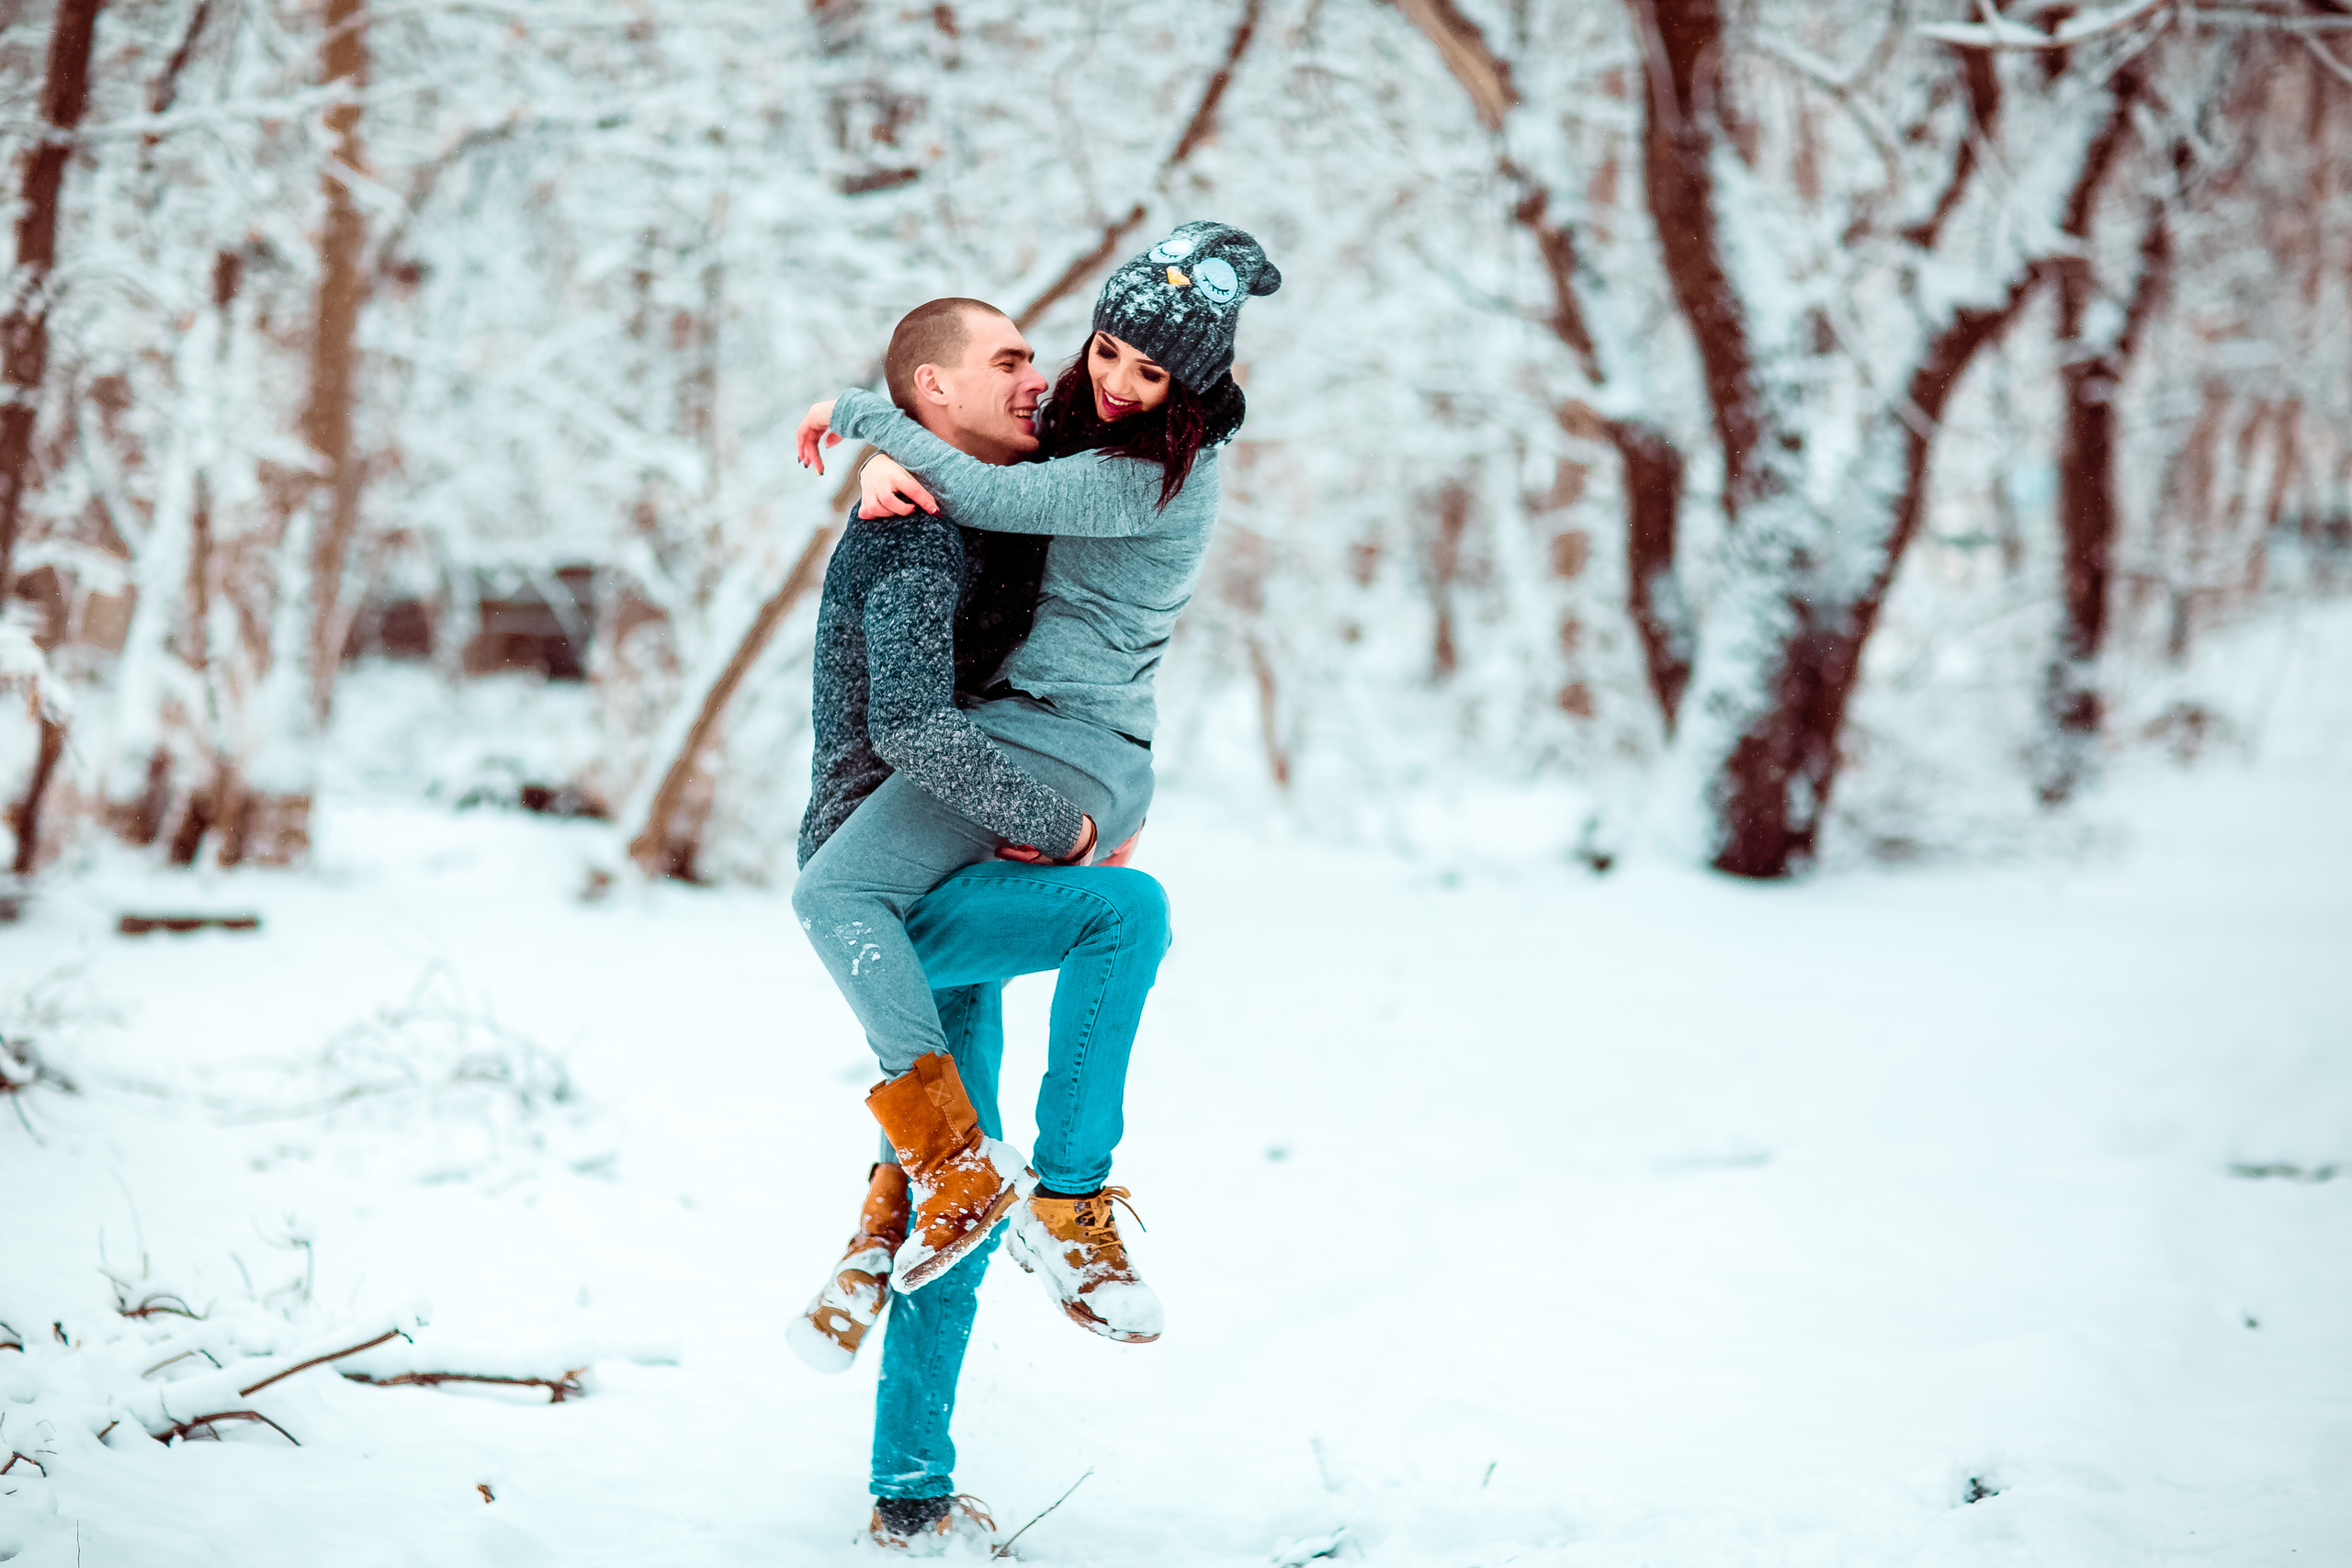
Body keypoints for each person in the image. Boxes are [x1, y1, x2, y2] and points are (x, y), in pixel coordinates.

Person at [788, 222, 1281, 1328]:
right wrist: (895, 453)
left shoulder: (1152, 473)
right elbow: (986, 473)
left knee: (837, 897)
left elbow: (994, 499)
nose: (1109, 382)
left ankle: (984, 1188)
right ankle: (907, 1225)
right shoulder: (1086, 434)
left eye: (1148, 373)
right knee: (931, 974)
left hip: (1052, 747)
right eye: (1104, 350)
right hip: (1082, 748)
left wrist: (866, 418)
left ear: (1188, 392)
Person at [781, 294, 1185, 1551]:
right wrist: (1056, 824)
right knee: (1120, 909)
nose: (1036, 377)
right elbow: (910, 725)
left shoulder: (969, 506)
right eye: (1008, 360)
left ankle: (908, 1480)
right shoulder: (907, 541)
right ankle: (1019, 1197)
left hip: (946, 865)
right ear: (936, 394)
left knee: (964, 1176)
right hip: (894, 884)